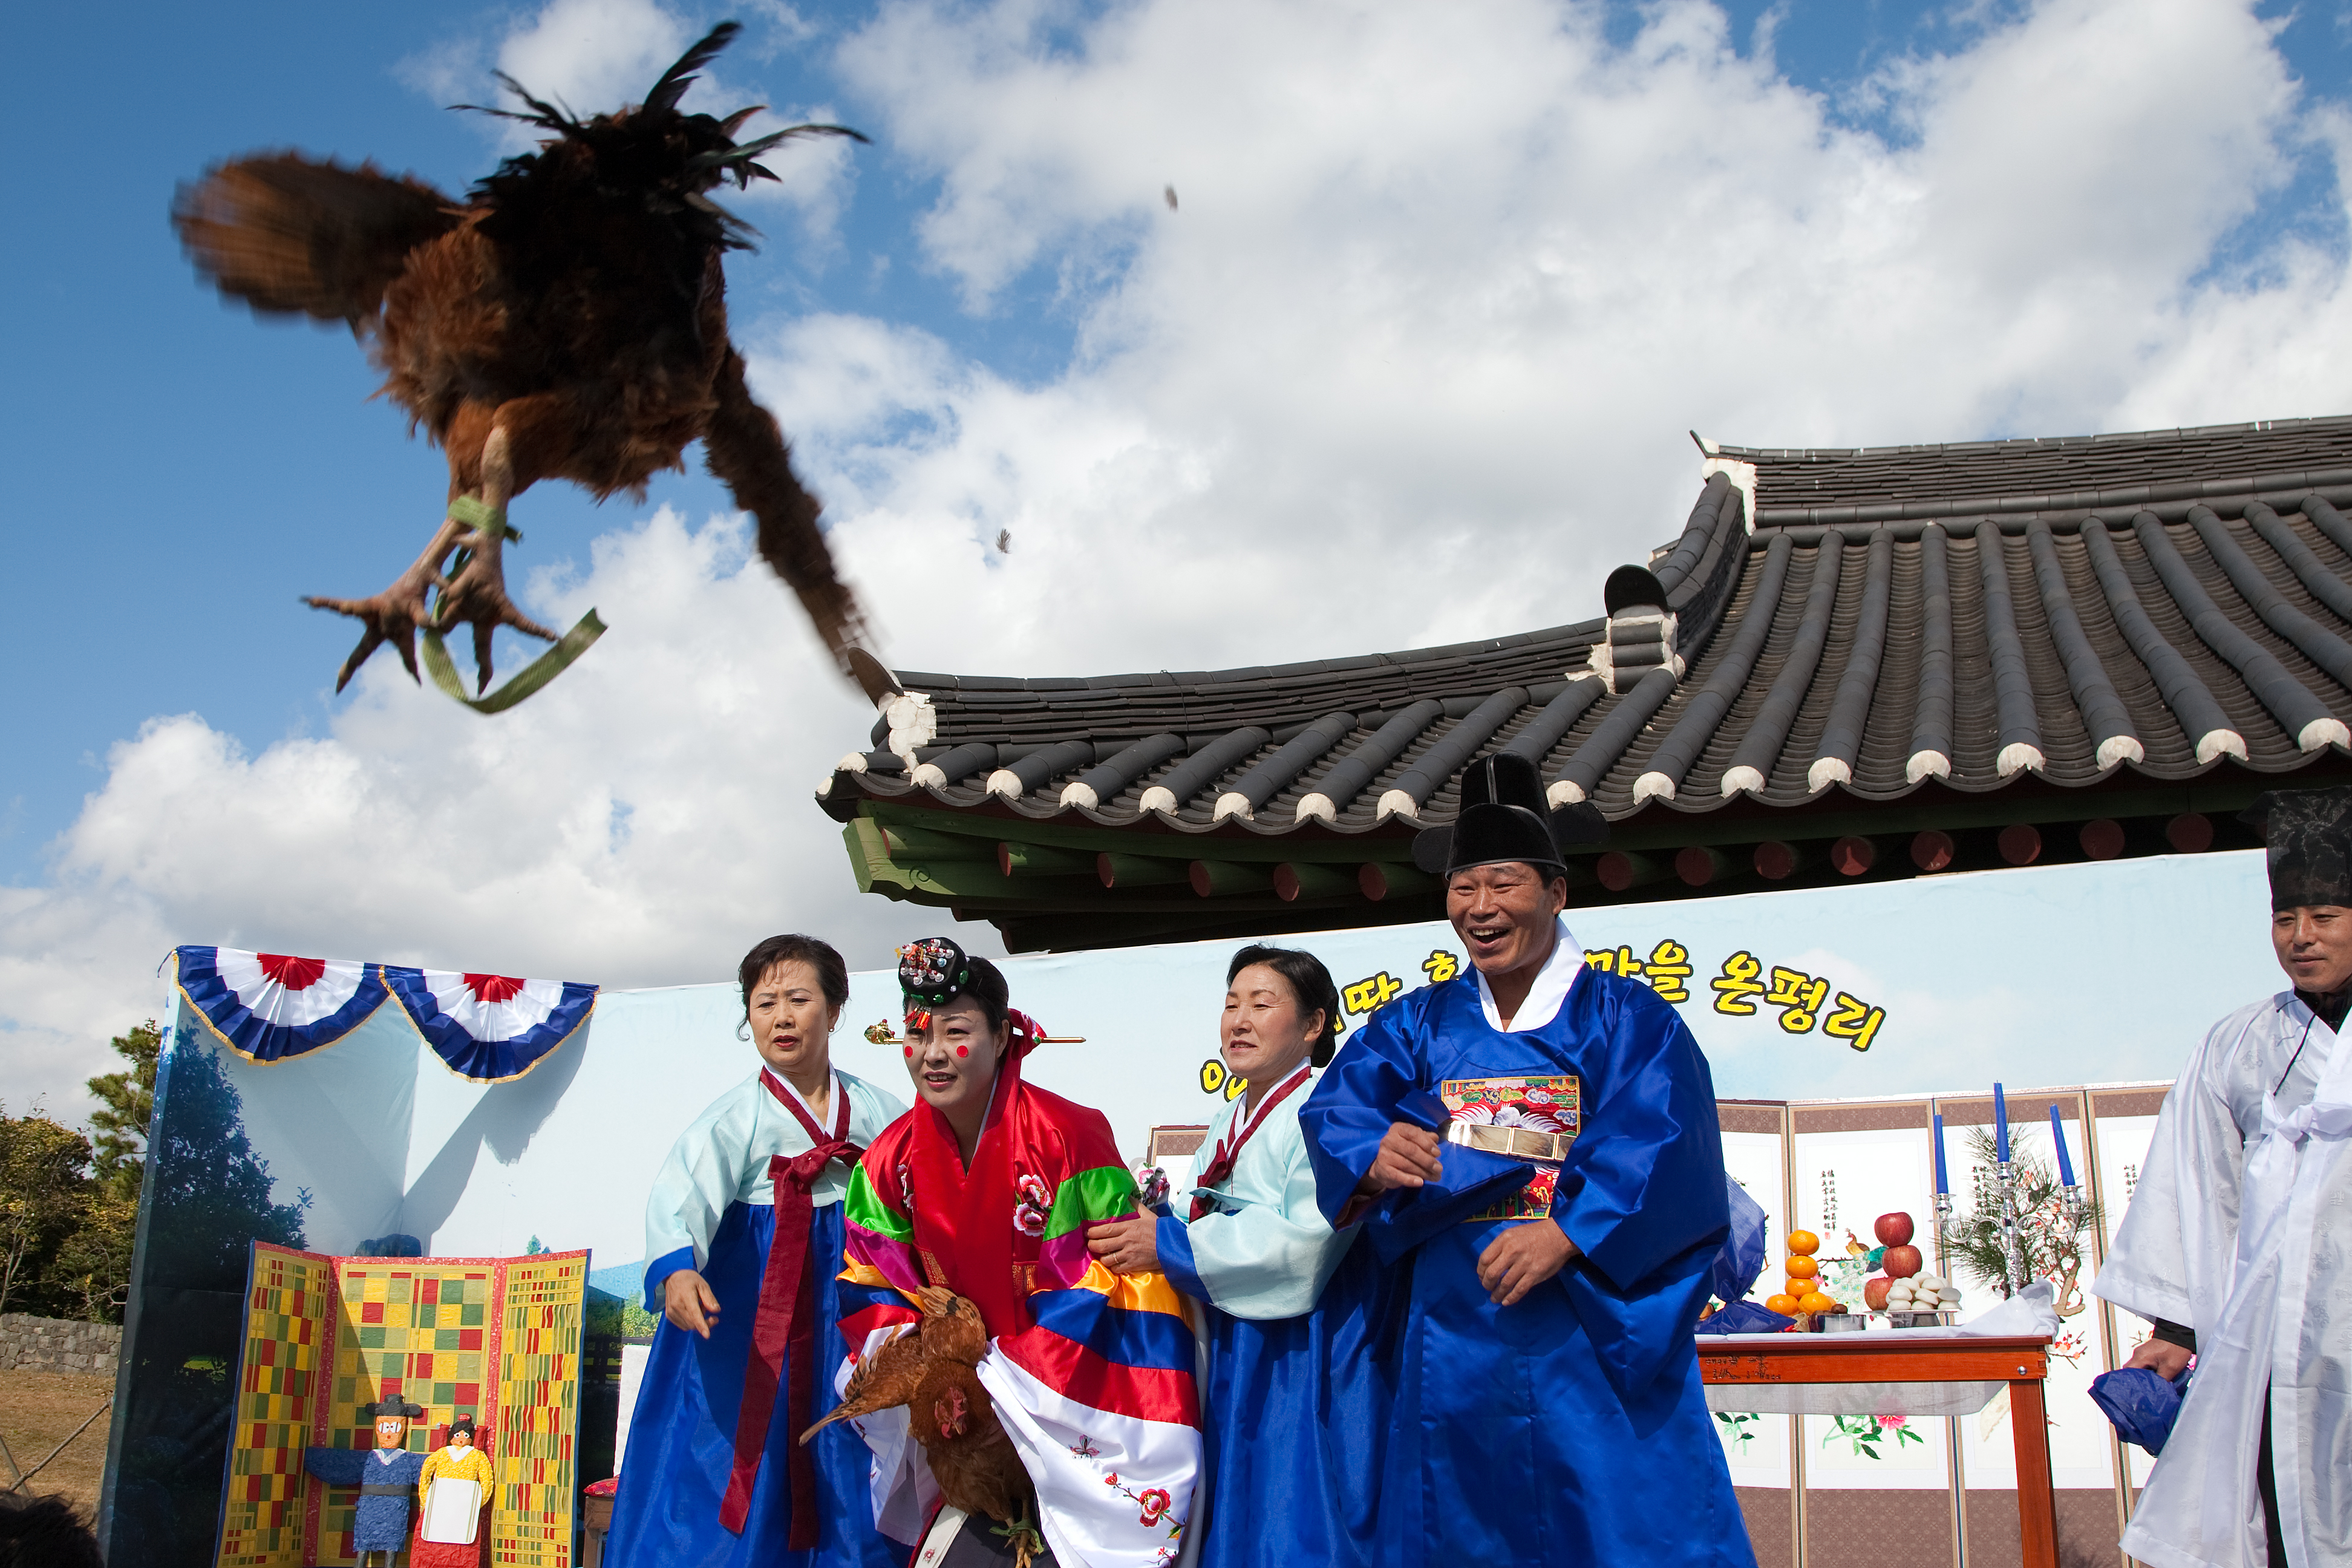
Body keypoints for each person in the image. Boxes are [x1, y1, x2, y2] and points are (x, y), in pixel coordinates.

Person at [1297, 753, 1754, 1567]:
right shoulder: (1417, 1023)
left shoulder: (1627, 1018)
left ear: (1556, 892)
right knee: (1458, 1520)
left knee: (1614, 1520)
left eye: (1503, 883)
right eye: (1464, 887)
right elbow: (1339, 1106)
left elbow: (1663, 1137)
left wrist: (1567, 1234)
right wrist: (1372, 1151)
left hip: (1582, 1323)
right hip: (1450, 1329)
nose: (1481, 907)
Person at [837, 937, 1202, 1568]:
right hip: (961, 1417)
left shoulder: (1070, 1134)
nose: (931, 1055)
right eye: (917, 1033)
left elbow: (1119, 1276)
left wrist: (1005, 1383)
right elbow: (871, 1282)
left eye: (956, 1031)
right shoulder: (885, 1163)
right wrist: (932, 1373)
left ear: (1003, 1036)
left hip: (1072, 1399)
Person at [2094, 786, 2352, 1568]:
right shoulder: (2241, 1044)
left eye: (2326, 918)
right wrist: (2176, 1330)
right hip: (2271, 1339)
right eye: (2285, 919)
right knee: (2279, 1510)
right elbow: (2198, 1185)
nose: (2301, 938)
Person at [607, 934, 907, 1568]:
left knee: (858, 1441)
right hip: (752, 1312)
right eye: (764, 1002)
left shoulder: (880, 1111)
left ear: (835, 1008)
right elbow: (680, 1199)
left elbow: (923, 1186)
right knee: (737, 1450)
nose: (782, 1016)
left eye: (799, 999)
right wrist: (680, 1274)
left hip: (854, 1302)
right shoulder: (733, 1119)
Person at [1085, 944, 1383, 1568]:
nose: (1238, 1021)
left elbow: (1306, 1242)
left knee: (1291, 1512)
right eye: (1230, 1005)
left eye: (1261, 1004)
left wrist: (1168, 1243)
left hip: (1301, 1353)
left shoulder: (1328, 1115)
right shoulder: (1228, 1119)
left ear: (1313, 1025)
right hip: (1231, 1341)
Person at [303, 1399, 429, 1568]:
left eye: (395, 1427)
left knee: (392, 1542)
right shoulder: (370, 1458)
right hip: (369, 1505)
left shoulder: (407, 1459)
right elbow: (341, 1463)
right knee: (364, 1541)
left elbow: (432, 1465)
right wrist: (313, 1457)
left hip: (396, 1506)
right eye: (385, 1427)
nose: (390, 1433)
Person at [412, 1414, 495, 1566]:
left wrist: (476, 1503)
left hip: (465, 1505)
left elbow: (487, 1480)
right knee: (432, 1540)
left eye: (466, 1435)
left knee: (464, 1542)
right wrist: (426, 1499)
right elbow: (426, 1474)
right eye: (457, 1435)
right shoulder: (442, 1453)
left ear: (472, 1437)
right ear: (451, 1437)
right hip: (439, 1503)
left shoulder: (477, 1456)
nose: (461, 1438)